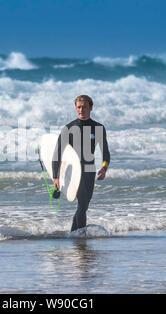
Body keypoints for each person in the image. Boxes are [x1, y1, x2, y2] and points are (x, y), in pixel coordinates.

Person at [52, 95, 110, 232]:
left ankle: (73, 235)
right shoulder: (68, 128)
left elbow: (105, 152)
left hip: (89, 170)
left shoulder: (98, 128)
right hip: (73, 171)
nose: (81, 110)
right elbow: (57, 154)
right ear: (75, 108)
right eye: (78, 107)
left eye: (84, 107)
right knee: (82, 205)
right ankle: (81, 237)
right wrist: (55, 176)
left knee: (83, 205)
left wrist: (104, 167)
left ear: (91, 108)